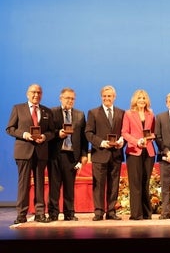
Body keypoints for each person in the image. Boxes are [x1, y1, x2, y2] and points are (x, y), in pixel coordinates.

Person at [6, 84, 55, 224]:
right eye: (33, 92)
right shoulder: (18, 108)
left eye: (39, 92)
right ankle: (21, 214)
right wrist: (24, 134)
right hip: (23, 152)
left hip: (41, 152)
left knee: (40, 184)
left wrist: (45, 137)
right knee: (24, 184)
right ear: (27, 94)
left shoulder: (47, 111)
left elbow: (52, 132)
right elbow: (10, 129)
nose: (36, 95)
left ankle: (40, 213)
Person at [47, 87, 89, 221]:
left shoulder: (80, 114)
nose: (70, 101)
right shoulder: (52, 112)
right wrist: (57, 134)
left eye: (72, 98)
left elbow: (84, 138)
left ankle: (69, 213)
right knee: (54, 186)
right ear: (61, 98)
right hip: (55, 154)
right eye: (67, 98)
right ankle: (53, 213)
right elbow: (48, 133)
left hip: (72, 155)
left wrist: (83, 154)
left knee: (69, 187)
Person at [85, 85, 125, 221]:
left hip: (116, 154)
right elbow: (88, 133)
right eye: (105, 96)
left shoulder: (121, 113)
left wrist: (122, 140)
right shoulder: (93, 112)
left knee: (114, 185)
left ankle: (111, 211)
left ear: (114, 97)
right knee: (99, 185)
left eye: (109, 96)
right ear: (101, 97)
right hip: (100, 154)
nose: (107, 98)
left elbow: (124, 132)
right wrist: (101, 142)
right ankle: (98, 211)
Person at [122, 89, 156, 220]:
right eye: (139, 98)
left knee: (145, 182)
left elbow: (153, 133)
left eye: (144, 98)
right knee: (135, 183)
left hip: (149, 152)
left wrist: (148, 138)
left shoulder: (151, 115)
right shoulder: (128, 114)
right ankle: (136, 214)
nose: (142, 100)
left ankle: (147, 213)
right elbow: (124, 132)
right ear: (135, 100)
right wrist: (137, 141)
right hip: (134, 151)